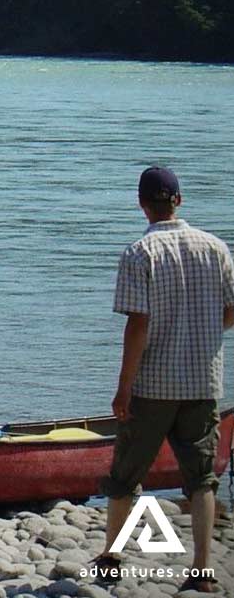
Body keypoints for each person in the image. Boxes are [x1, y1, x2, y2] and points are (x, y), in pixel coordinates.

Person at [93, 166, 234, 592]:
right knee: (202, 479)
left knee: (125, 476)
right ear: (179, 200)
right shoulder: (216, 248)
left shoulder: (139, 254)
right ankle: (202, 570)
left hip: (153, 385)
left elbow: (138, 325)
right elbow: (233, 309)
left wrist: (123, 387)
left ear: (141, 204)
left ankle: (112, 556)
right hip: (204, 383)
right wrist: (207, 331)